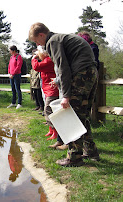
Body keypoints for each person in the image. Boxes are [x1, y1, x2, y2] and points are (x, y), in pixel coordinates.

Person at [29, 22, 100, 167]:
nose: (39, 45)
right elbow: (66, 66)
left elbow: (62, 67)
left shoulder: (53, 41)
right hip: (91, 73)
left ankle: (74, 158)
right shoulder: (61, 38)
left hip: (81, 75)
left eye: (37, 41)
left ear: (41, 35)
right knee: (82, 115)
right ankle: (91, 152)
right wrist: (58, 80)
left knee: (73, 116)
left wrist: (66, 96)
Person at [31, 47, 59, 141]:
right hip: (47, 88)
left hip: (52, 89)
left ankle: (55, 132)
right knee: (48, 109)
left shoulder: (49, 60)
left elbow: (36, 67)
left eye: (39, 53)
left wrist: (33, 59)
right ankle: (51, 130)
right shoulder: (46, 59)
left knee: (48, 109)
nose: (38, 55)